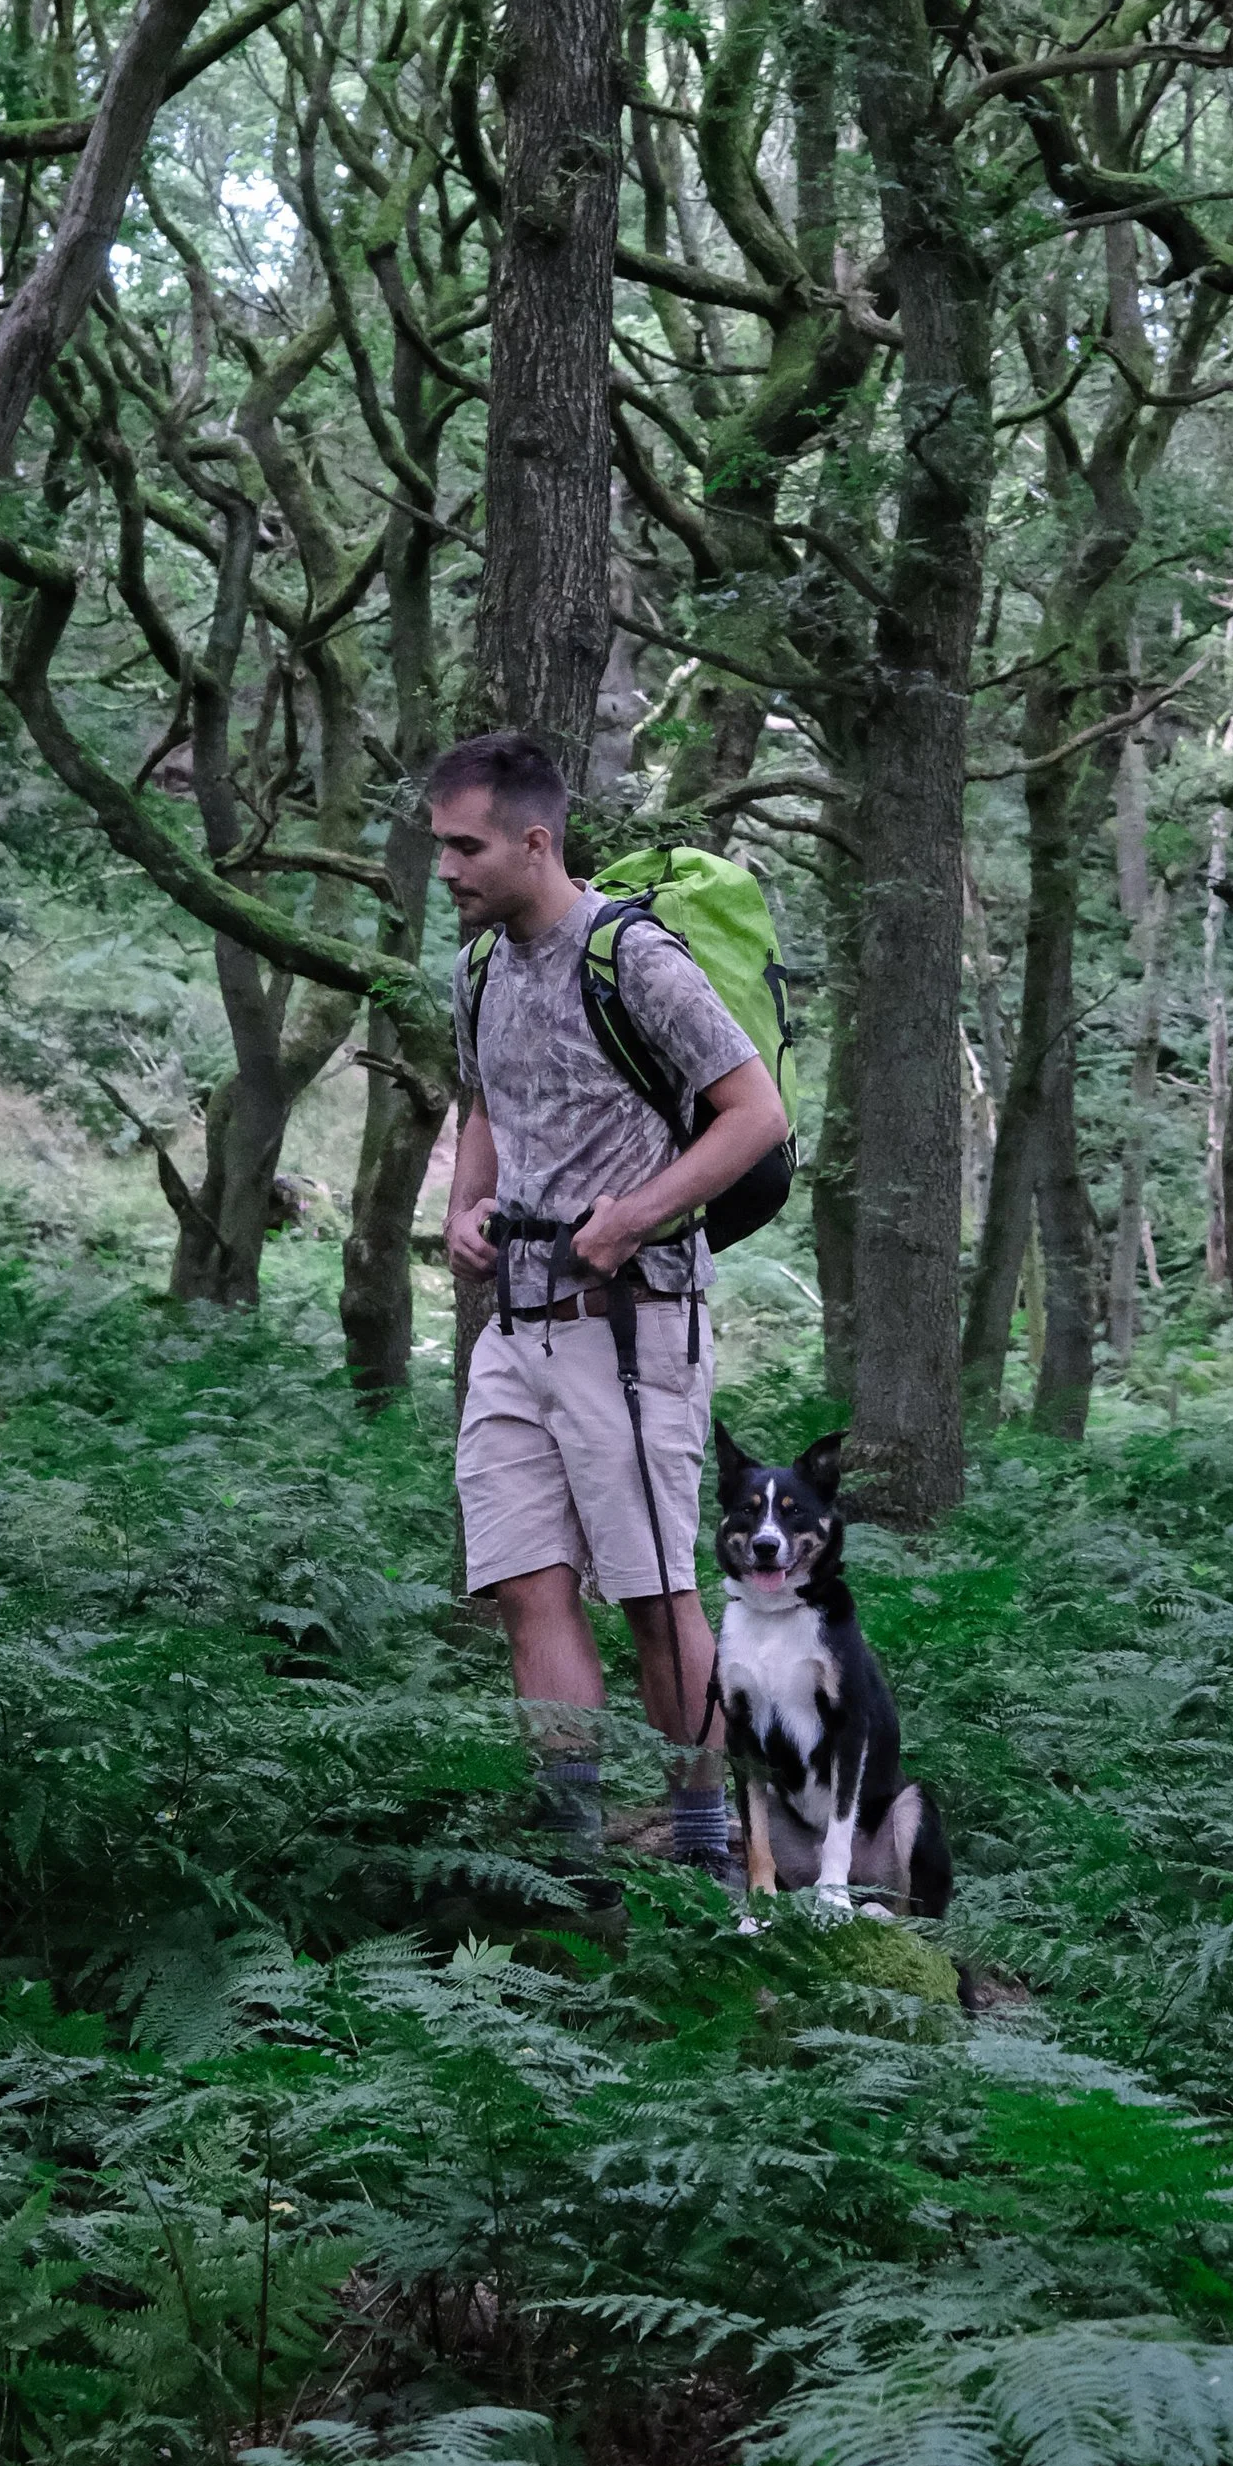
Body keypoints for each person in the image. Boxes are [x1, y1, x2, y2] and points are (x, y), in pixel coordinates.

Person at [430, 728, 788, 1879]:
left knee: (651, 1595)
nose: (446, 867)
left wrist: (635, 1214)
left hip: (632, 1325)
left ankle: (707, 1845)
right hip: (514, 1329)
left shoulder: (634, 959)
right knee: (525, 1584)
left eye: (466, 846)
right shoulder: (477, 968)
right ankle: (569, 1849)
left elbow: (756, 1115)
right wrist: (464, 1206)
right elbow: (486, 1099)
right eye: (440, 844)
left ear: (535, 841)